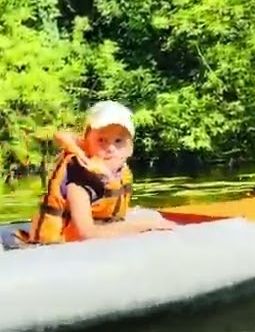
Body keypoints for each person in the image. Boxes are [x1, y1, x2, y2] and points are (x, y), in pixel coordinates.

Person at [17, 100, 176, 245]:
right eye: (101, 140)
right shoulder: (80, 180)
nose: (110, 148)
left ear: (130, 148)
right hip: (56, 248)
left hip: (98, 230)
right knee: (149, 221)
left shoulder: (120, 171)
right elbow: (87, 233)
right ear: (87, 143)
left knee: (152, 216)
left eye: (118, 141)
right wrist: (145, 227)